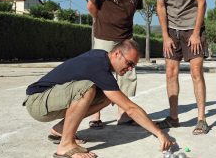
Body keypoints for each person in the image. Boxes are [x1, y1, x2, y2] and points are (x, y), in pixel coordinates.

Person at [23, 40, 173, 158]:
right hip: (37, 102)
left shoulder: (101, 56)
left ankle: (60, 129)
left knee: (107, 97)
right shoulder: (99, 67)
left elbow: (123, 102)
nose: (130, 69)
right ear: (117, 54)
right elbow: (130, 109)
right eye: (129, 63)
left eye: (133, 66)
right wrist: (159, 133)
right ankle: (65, 145)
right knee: (86, 89)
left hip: (47, 100)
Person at [151, 0, 209, 135]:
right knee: (170, 73)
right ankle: (173, 118)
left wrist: (197, 33)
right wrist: (165, 36)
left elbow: (201, 2)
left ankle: (201, 119)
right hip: (171, 29)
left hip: (193, 27)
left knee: (196, 72)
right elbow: (160, 6)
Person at [87, 0, 144, 128]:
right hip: (104, 36)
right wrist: (102, 22)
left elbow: (132, 10)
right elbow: (91, 6)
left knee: (128, 76)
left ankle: (123, 115)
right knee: (98, 74)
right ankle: (95, 115)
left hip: (126, 37)